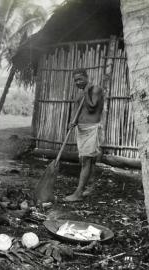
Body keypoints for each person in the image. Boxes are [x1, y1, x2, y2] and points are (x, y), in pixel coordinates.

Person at [64, 68, 104, 202]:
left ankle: (78, 193)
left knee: (86, 161)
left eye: (80, 79)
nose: (78, 82)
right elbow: (78, 109)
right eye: (75, 80)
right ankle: (90, 187)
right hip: (81, 129)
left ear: (87, 78)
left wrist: (86, 91)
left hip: (91, 129)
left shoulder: (96, 89)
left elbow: (92, 106)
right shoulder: (81, 93)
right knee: (87, 161)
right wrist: (72, 121)